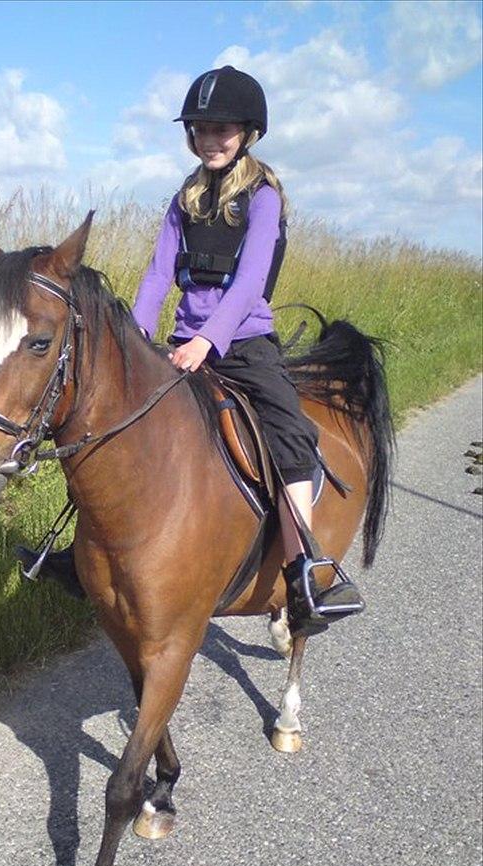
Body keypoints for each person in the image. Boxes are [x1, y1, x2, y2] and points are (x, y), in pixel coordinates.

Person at [19, 65, 363, 638]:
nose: (210, 139)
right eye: (201, 129)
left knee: (291, 434)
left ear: (248, 132)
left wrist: (209, 339)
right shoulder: (184, 199)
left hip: (243, 343)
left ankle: (306, 565)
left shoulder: (263, 198)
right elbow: (157, 275)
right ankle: (82, 553)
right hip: (181, 345)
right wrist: (131, 343)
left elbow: (252, 279)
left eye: (222, 129)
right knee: (118, 428)